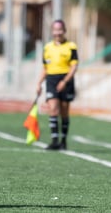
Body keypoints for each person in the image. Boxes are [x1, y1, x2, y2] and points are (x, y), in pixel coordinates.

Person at [36, 19, 79, 150]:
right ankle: (54, 141)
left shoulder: (71, 46)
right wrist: (39, 83)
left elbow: (74, 66)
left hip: (66, 79)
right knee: (53, 108)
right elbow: (45, 68)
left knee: (64, 111)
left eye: (60, 30)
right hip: (51, 79)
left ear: (64, 31)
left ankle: (63, 141)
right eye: (55, 30)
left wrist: (65, 81)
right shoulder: (47, 47)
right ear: (52, 31)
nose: (57, 32)